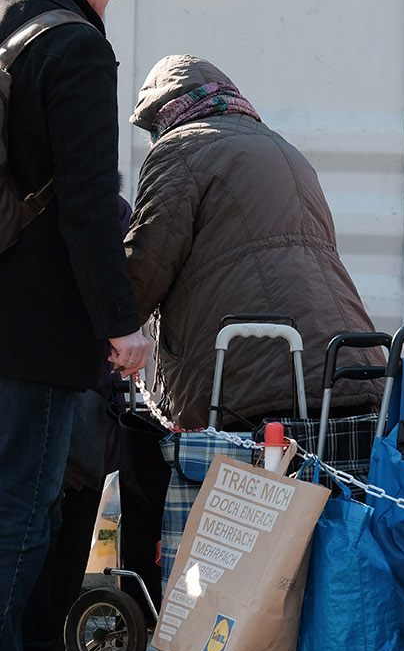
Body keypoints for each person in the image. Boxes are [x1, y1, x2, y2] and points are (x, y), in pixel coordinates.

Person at [0, 0, 150, 651]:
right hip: (37, 322)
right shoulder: (76, 46)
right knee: (23, 507)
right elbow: (90, 205)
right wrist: (121, 324)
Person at [124, 55, 382, 428]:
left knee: (243, 468)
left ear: (162, 116)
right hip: (345, 362)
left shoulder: (179, 147)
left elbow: (149, 261)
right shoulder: (285, 149)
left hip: (254, 371)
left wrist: (114, 325)